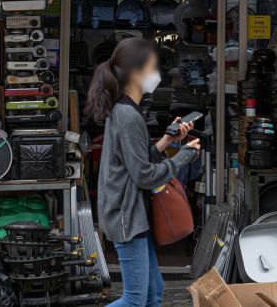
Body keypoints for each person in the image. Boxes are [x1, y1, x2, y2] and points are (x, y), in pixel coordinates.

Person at [86, 37, 201, 307]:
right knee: (136, 300)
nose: (156, 74)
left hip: (131, 213)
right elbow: (144, 175)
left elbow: (134, 161)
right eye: (152, 68)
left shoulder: (126, 109)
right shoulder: (128, 115)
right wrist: (183, 156)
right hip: (126, 215)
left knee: (153, 292)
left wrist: (167, 141)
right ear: (136, 72)